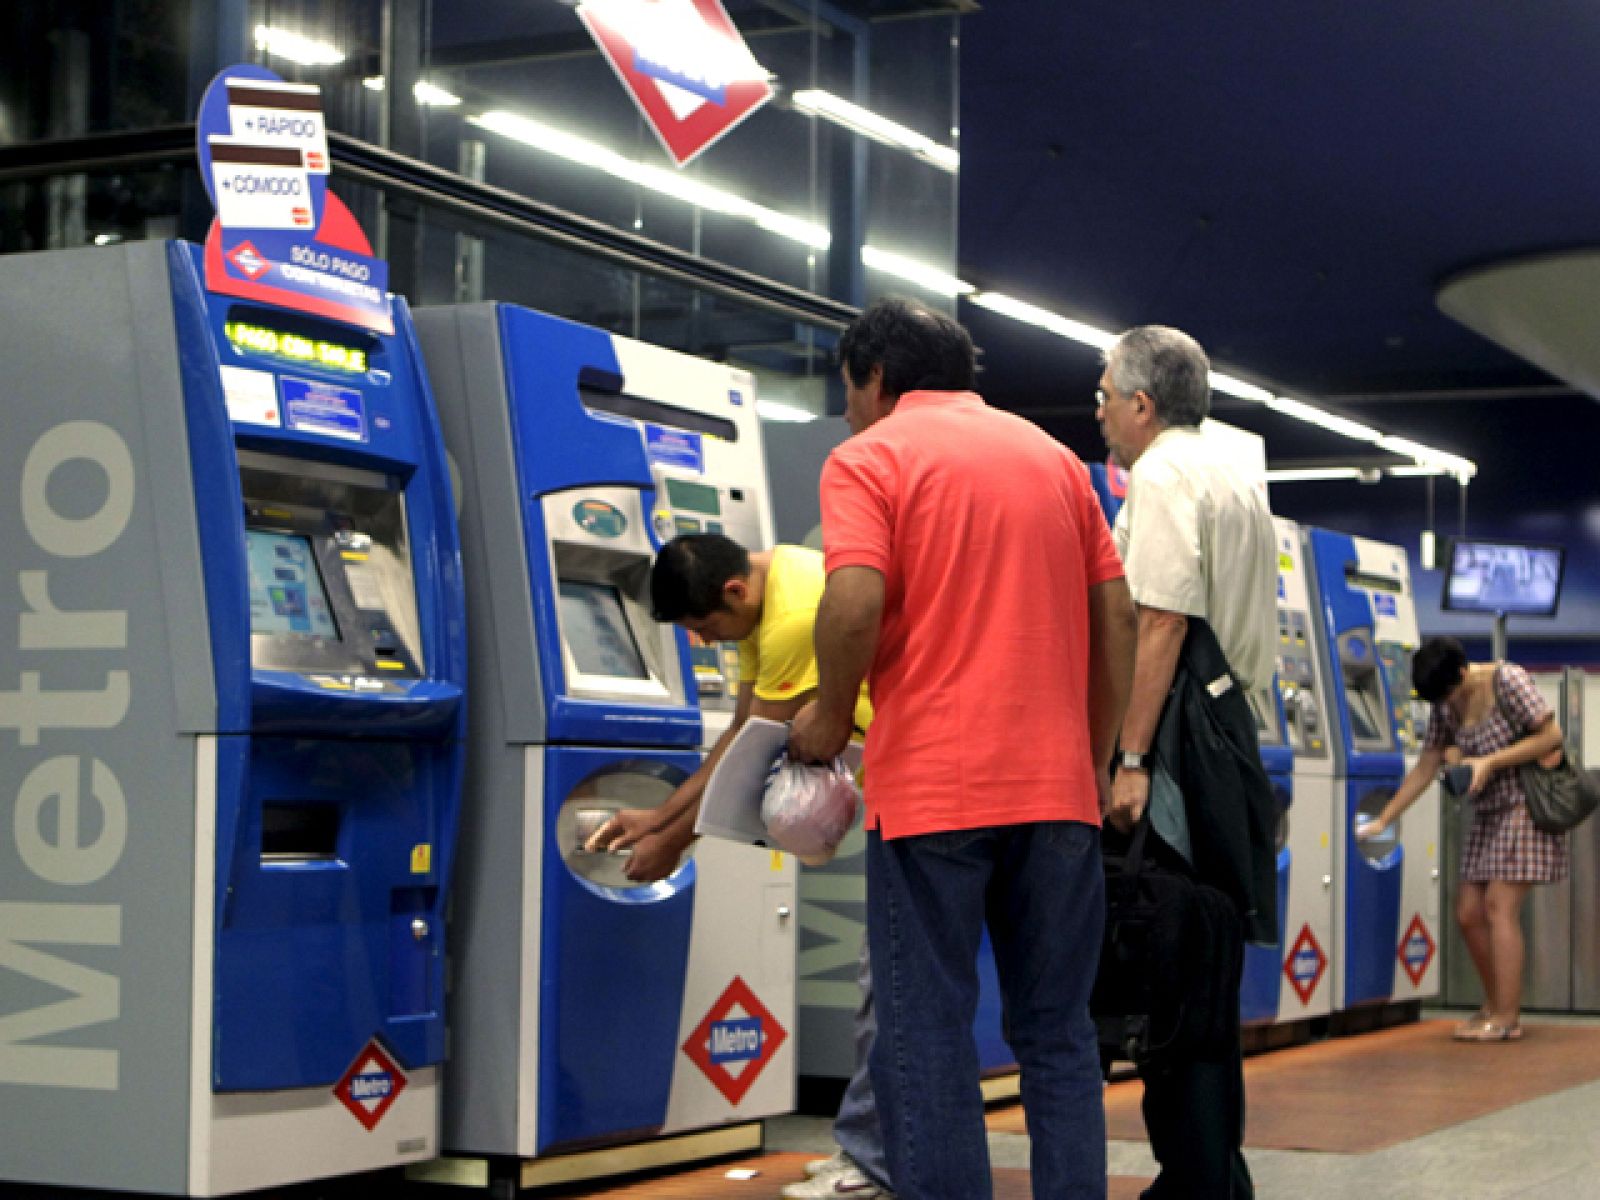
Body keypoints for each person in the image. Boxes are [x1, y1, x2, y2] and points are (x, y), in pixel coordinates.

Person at [789, 296, 1138, 1200]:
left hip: (934, 792)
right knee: (1059, 1034)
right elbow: (1119, 616)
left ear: (874, 377)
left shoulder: (870, 457)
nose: (848, 410)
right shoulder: (1055, 459)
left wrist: (830, 714)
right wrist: (1095, 760)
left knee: (928, 1035)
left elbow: (854, 601)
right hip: (1057, 792)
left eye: (847, 390)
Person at [582, 533, 890, 1199]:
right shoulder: (771, 582)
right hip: (896, 785)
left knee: (890, 984)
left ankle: (877, 1161)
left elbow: (752, 762)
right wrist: (659, 818)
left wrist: (674, 843)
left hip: (909, 786)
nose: (703, 642)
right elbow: (739, 732)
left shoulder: (792, 618)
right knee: (885, 981)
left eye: (705, 627)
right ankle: (870, 1150)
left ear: (733, 593)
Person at [1097, 325, 1277, 1199]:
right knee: (1206, 978)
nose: (1098, 413)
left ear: (1143, 403)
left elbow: (1160, 621)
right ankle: (1213, 1183)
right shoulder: (1236, 475)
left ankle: (1198, 1183)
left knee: (1170, 975)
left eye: (1105, 397)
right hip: (1231, 744)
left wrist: (1129, 757)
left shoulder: (1164, 474)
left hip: (1178, 752)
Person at [1358, 636, 1565, 1042]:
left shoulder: (1509, 681)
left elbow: (1550, 737)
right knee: (1468, 912)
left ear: (1464, 670)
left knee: (1499, 905)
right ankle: (1494, 1004)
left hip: (1525, 803)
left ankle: (1506, 1018)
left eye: (1452, 691)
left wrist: (1489, 761)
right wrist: (1385, 818)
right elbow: (1426, 766)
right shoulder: (1445, 704)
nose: (1449, 702)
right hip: (1487, 811)